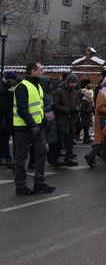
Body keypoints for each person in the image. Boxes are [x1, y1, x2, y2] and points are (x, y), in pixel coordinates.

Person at [13, 62, 55, 195]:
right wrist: (32, 125)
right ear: (32, 71)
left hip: (36, 126)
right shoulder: (22, 86)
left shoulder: (37, 86)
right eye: (41, 69)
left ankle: (39, 182)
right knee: (21, 157)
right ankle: (20, 186)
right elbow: (22, 109)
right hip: (23, 128)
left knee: (42, 152)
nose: (43, 72)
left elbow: (38, 108)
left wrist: (44, 122)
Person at [85, 75, 106, 168]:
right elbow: (100, 108)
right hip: (103, 120)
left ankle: (92, 156)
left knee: (105, 141)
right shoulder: (103, 94)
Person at [51, 73, 80, 166]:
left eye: (75, 83)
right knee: (59, 141)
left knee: (69, 141)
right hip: (61, 119)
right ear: (67, 81)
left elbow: (77, 103)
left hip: (71, 120)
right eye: (72, 83)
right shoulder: (59, 91)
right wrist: (68, 110)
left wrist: (76, 109)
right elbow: (55, 105)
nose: (74, 84)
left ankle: (68, 158)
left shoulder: (75, 92)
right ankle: (54, 158)